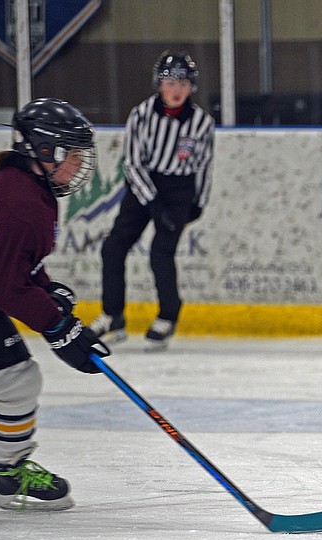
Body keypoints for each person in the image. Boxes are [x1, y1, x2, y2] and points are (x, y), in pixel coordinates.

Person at [0, 97, 111, 511]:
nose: (80, 164)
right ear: (45, 151)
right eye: (74, 154)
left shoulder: (25, 186)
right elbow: (7, 290)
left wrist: (46, 292)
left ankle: (10, 471)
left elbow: (10, 267)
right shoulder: (19, 200)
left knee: (19, 380)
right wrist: (60, 328)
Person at [90, 50, 215, 351]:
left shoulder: (201, 122)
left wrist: (198, 203)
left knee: (161, 253)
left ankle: (168, 315)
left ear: (191, 87)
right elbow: (132, 163)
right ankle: (113, 315)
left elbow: (204, 165)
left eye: (183, 83)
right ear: (159, 84)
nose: (176, 90)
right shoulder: (140, 115)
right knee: (113, 247)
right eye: (170, 82)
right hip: (143, 185)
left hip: (179, 191)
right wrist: (152, 202)